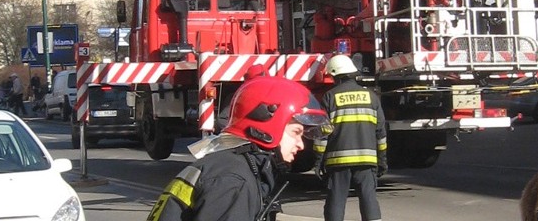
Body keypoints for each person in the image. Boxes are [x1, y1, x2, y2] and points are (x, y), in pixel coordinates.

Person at [146, 75, 332, 221]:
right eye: (296, 132)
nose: (300, 145)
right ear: (267, 126)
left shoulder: (230, 166)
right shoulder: (234, 180)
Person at [314, 54, 387, 221]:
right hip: (367, 160)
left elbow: (322, 134)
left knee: (336, 200)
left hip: (338, 162)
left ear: (335, 75)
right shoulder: (371, 97)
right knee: (369, 198)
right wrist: (382, 161)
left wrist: (318, 161)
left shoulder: (330, 97)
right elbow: (381, 134)